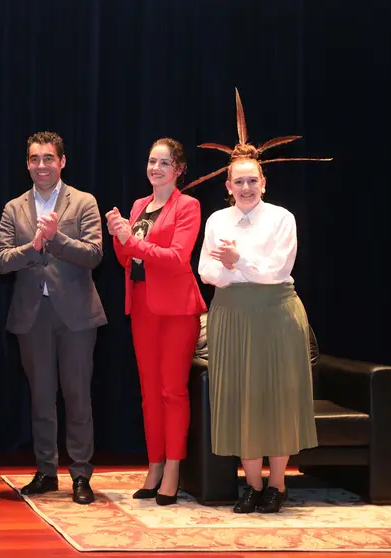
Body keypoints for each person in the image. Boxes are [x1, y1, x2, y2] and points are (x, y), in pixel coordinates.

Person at [192, 89, 328, 513]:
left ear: (264, 182)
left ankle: (276, 485)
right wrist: (236, 267)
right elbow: (207, 273)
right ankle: (249, 485)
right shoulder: (217, 219)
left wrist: (237, 261)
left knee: (278, 397)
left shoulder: (281, 218)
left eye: (253, 180)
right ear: (228, 185)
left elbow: (275, 269)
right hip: (231, 316)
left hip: (277, 314)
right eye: (239, 181)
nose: (246, 187)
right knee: (239, 396)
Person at [0, 131, 106, 505]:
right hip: (32, 316)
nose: (41, 165)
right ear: (27, 164)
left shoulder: (84, 202)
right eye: (34, 159)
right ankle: (45, 471)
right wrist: (35, 246)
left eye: (48, 158)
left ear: (62, 161)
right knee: (41, 398)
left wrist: (56, 239)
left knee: (77, 398)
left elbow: (93, 254)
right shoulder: (13, 208)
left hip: (75, 316)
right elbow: (0, 261)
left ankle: (80, 474)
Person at [105, 138, 207, 506]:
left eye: (164, 162)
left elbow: (178, 258)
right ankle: (154, 464)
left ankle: (174, 469)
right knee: (149, 394)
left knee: (172, 392)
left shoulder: (188, 206)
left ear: (178, 169)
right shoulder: (138, 206)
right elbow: (126, 260)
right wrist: (120, 236)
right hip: (143, 305)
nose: (156, 168)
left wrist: (129, 241)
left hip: (177, 309)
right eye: (152, 161)